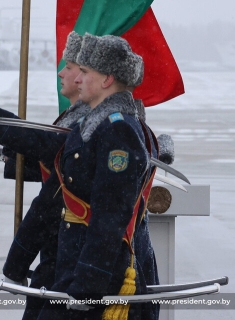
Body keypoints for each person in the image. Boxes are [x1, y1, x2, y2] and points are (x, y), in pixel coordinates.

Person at [0, 32, 90, 319]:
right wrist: (2, 154)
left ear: (89, 76)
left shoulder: (90, 123)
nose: (62, 73)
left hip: (72, 255)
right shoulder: (79, 116)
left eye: (71, 66)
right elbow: (53, 162)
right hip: (59, 252)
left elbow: (49, 149)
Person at [36, 33, 152, 320]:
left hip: (96, 271)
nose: (76, 79)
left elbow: (110, 214)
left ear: (107, 80)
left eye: (84, 72)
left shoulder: (117, 130)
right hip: (75, 260)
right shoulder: (94, 125)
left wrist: (88, 283)